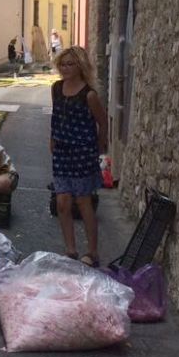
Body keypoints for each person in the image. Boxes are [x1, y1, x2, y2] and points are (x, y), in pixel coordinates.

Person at [50, 46, 109, 268]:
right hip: (62, 152)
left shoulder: (89, 95)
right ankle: (71, 249)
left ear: (80, 66)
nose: (65, 68)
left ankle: (93, 252)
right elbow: (56, 116)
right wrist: (52, 140)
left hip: (83, 152)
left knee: (84, 202)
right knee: (62, 202)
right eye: (62, 64)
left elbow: (102, 122)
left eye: (70, 64)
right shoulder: (56, 89)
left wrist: (100, 147)